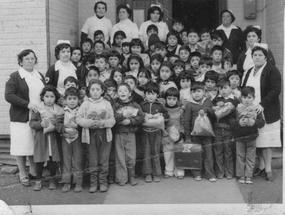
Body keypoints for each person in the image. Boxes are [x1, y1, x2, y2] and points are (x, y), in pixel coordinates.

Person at [5, 49, 45, 187]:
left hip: (36, 116)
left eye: (32, 58)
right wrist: (26, 104)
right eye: (27, 59)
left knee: (32, 144)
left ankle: (33, 171)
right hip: (21, 116)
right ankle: (23, 173)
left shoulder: (39, 75)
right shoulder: (15, 77)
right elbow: (9, 96)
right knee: (21, 146)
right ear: (21, 61)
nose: (30, 61)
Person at [242, 45, 281, 181]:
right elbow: (244, 90)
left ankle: (268, 169)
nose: (257, 57)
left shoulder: (272, 70)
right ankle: (261, 166)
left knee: (266, 141)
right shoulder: (248, 71)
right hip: (251, 111)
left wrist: (262, 104)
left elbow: (276, 90)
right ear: (252, 57)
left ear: (265, 57)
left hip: (267, 110)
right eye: (255, 55)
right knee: (256, 140)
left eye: (260, 55)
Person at [76, 79, 115, 193]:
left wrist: (103, 123)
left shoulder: (106, 103)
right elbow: (78, 118)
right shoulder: (85, 103)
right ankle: (93, 183)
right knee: (93, 159)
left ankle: (103, 182)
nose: (95, 92)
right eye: (92, 89)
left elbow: (112, 120)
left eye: (98, 89)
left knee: (103, 159)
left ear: (102, 91)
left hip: (104, 135)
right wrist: (88, 123)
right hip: (91, 135)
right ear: (89, 90)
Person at [30, 85, 64, 191]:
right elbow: (32, 123)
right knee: (39, 160)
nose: (49, 99)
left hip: (53, 138)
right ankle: (38, 180)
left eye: (52, 97)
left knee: (52, 160)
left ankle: (52, 180)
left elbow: (61, 124)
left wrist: (56, 125)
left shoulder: (58, 110)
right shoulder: (38, 110)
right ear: (42, 97)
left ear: (56, 98)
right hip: (41, 138)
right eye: (47, 96)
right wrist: (41, 124)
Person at [183, 82, 216, 182]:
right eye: (193, 92)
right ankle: (196, 174)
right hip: (195, 134)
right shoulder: (189, 105)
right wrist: (187, 136)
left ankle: (209, 174)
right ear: (191, 94)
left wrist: (206, 110)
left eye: (199, 91)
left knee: (208, 154)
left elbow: (213, 115)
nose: (196, 94)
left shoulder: (208, 102)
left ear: (204, 92)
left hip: (207, 134)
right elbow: (186, 121)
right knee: (195, 154)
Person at [113, 83, 144, 186]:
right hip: (119, 134)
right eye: (120, 91)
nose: (122, 93)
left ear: (130, 93)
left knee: (131, 156)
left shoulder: (135, 105)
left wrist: (130, 121)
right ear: (117, 93)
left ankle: (132, 176)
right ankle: (122, 178)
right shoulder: (115, 105)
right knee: (120, 157)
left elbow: (141, 117)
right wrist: (122, 117)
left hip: (131, 134)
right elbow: (113, 116)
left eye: (125, 91)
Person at [233, 86, 265, 184]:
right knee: (240, 156)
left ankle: (249, 176)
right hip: (239, 137)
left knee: (250, 157)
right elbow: (232, 122)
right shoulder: (237, 109)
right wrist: (238, 122)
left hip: (252, 137)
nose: (246, 100)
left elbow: (262, 122)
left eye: (249, 97)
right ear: (241, 98)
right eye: (244, 97)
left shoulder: (256, 109)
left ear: (254, 98)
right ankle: (241, 175)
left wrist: (254, 122)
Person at [56, 87, 83, 192]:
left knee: (77, 160)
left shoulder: (81, 111)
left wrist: (77, 127)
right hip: (66, 139)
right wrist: (64, 130)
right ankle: (66, 182)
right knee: (66, 160)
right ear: (65, 100)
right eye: (70, 98)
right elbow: (57, 124)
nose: (72, 101)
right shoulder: (63, 112)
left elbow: (84, 124)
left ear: (78, 100)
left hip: (77, 138)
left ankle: (78, 182)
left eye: (74, 98)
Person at [140, 82, 169, 183]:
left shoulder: (160, 105)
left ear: (157, 95)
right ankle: (148, 174)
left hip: (157, 133)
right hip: (145, 133)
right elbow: (138, 116)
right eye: (148, 93)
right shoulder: (142, 105)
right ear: (145, 94)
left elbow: (167, 116)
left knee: (156, 152)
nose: (150, 96)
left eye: (153, 93)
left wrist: (160, 115)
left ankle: (156, 173)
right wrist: (144, 115)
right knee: (147, 153)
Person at [212, 78, 239, 179]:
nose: (223, 90)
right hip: (217, 129)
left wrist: (229, 105)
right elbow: (212, 111)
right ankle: (220, 172)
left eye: (225, 88)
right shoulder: (215, 99)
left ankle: (229, 172)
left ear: (230, 88)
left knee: (228, 152)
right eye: (220, 88)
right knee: (218, 151)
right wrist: (216, 107)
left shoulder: (235, 99)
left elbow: (236, 112)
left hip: (229, 129)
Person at [162, 87, 184, 178]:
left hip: (178, 135)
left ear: (177, 100)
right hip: (166, 135)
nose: (171, 101)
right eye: (169, 99)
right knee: (168, 153)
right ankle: (169, 170)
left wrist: (182, 133)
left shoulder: (180, 110)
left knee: (179, 153)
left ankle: (179, 171)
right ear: (165, 99)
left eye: (174, 99)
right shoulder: (163, 110)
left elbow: (183, 123)